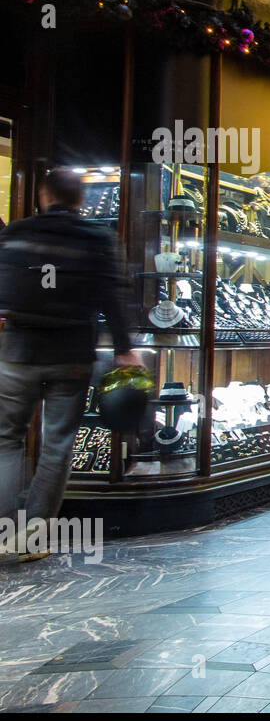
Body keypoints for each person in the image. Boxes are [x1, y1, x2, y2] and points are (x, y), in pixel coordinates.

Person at [0, 167, 139, 562]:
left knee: (6, 439)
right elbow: (114, 298)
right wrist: (125, 349)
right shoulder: (98, 238)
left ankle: (1, 527)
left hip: (17, 352)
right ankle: (31, 534)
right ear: (82, 200)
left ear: (42, 197)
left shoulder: (15, 234)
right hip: (72, 354)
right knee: (58, 443)